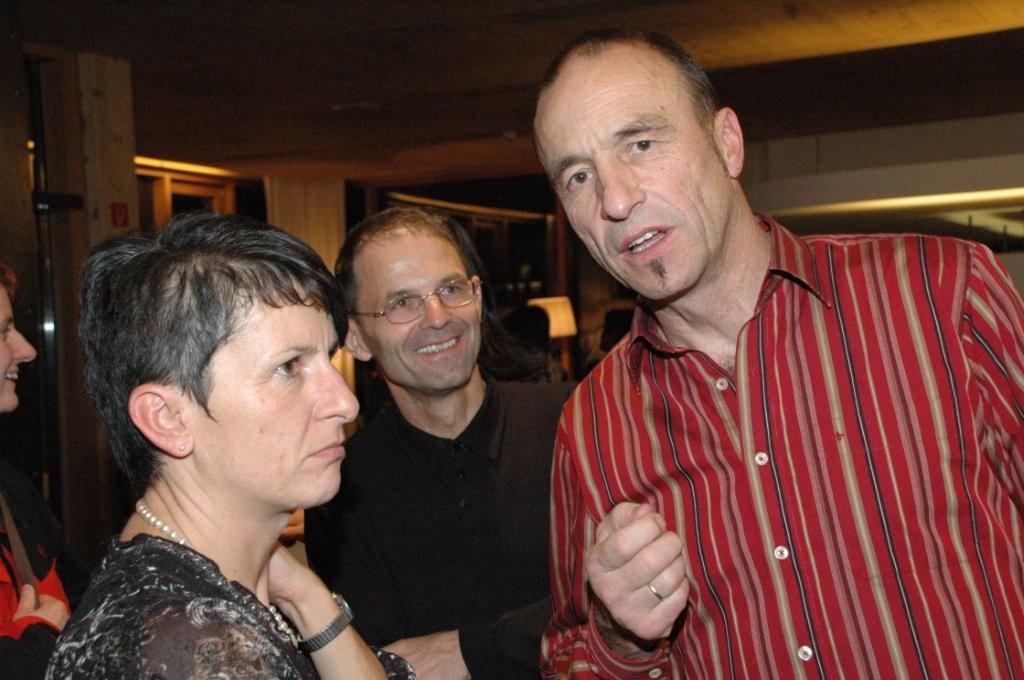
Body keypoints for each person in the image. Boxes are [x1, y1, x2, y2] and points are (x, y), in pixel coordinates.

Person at [533, 29, 1024, 678]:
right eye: (578, 176)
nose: (615, 200)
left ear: (727, 143)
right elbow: (570, 658)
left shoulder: (942, 292)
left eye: (641, 144)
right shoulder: (590, 426)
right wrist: (618, 639)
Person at [47, 212, 414, 679]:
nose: (345, 403)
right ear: (168, 419)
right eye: (289, 367)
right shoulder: (186, 646)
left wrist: (307, 597)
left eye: (327, 358)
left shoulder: (203, 587)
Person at [305, 206, 575, 680]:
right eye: (401, 303)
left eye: (451, 290)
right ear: (357, 338)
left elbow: (630, 602)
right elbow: (381, 663)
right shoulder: (340, 487)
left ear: (477, 297)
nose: (437, 317)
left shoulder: (573, 420)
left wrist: (472, 651)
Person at [0, 257, 87, 679]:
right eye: (4, 332)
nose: (27, 350)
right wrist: (39, 643)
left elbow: (85, 599)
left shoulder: (10, 488)